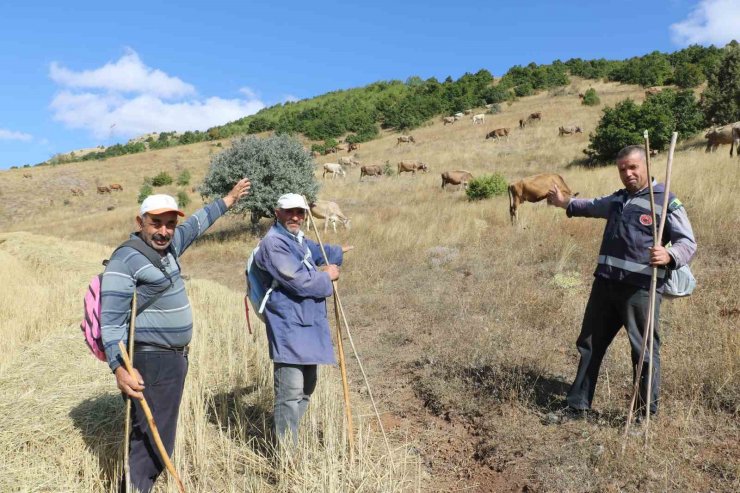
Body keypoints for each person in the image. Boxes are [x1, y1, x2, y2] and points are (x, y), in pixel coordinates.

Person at [100, 178, 251, 492]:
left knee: (153, 437)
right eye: (156, 223)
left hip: (171, 360)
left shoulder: (168, 247)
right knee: (151, 443)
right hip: (150, 360)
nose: (164, 231)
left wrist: (229, 199)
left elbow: (197, 223)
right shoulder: (124, 260)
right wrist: (119, 368)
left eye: (170, 224)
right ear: (140, 222)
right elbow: (110, 322)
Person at [548, 145, 696, 419]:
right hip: (605, 285)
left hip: (640, 289)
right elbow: (591, 206)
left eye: (633, 167)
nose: (627, 173)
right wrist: (564, 202)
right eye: (622, 169)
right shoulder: (617, 200)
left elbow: (688, 242)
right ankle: (578, 405)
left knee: (643, 352)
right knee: (590, 344)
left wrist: (669, 254)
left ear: (646, 166)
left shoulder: (665, 201)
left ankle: (643, 414)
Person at [251, 193, 352, 445]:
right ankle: (286, 453)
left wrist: (336, 251)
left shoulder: (296, 238)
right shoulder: (273, 244)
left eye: (300, 212)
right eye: (289, 212)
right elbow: (299, 280)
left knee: (307, 387)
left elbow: (313, 251)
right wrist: (327, 276)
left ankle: (289, 437)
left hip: (305, 323)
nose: (295, 216)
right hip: (287, 324)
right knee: (290, 391)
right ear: (277, 212)